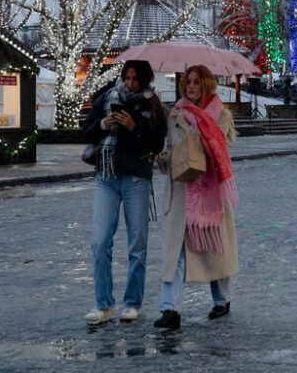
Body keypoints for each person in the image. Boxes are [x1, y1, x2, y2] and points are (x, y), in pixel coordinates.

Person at [153, 65, 239, 330]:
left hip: (209, 190)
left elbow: (212, 147)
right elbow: (173, 153)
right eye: (187, 81)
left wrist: (193, 125)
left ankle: (222, 300)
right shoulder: (176, 114)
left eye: (196, 82)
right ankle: (170, 309)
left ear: (206, 85)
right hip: (180, 191)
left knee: (213, 246)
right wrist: (162, 161)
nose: (190, 86)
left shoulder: (220, 115)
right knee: (175, 252)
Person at [81, 60, 167, 325]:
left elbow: (155, 142)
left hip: (135, 179)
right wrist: (105, 125)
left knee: (137, 244)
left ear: (145, 80)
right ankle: (103, 304)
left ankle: (132, 303)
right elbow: (86, 131)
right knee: (99, 241)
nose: (130, 83)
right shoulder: (107, 97)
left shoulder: (153, 105)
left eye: (136, 79)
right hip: (107, 176)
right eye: (127, 77)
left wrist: (133, 126)